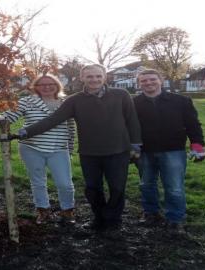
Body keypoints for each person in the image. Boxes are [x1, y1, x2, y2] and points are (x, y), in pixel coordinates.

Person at [19, 64, 142, 231]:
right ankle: (98, 217)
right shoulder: (74, 100)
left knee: (117, 187)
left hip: (118, 150)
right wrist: (26, 131)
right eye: (90, 76)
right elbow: (53, 120)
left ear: (104, 77)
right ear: (82, 78)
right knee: (92, 188)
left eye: (98, 76)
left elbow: (132, 120)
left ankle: (112, 219)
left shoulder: (121, 95)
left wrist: (135, 144)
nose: (94, 80)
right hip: (89, 153)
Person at [133, 69, 205, 236]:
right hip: (145, 151)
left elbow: (193, 125)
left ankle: (175, 219)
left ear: (161, 80)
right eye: (144, 81)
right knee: (146, 184)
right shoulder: (134, 103)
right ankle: (151, 213)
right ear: (139, 83)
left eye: (152, 79)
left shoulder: (180, 101)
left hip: (173, 150)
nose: (148, 83)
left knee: (174, 187)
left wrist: (198, 145)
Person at [0, 74, 76, 225]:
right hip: (31, 147)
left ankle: (67, 210)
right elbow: (8, 116)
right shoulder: (28, 101)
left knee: (65, 183)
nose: (46, 87)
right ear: (36, 87)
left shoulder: (66, 103)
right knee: (38, 182)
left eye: (50, 83)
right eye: (42, 85)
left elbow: (71, 129)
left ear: (57, 85)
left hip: (59, 148)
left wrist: (70, 149)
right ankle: (43, 210)